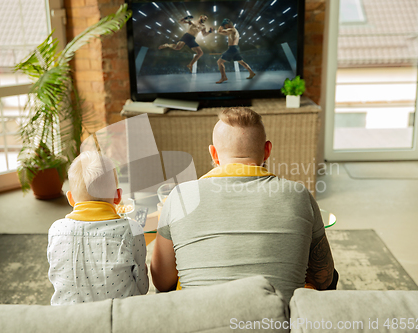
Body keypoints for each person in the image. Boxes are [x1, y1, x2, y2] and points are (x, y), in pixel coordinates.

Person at [151, 107, 336, 300]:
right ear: (267, 150)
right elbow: (325, 279)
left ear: (213, 153)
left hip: (202, 322)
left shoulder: (179, 196)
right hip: (278, 323)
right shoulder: (300, 195)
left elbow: (162, 282)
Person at [47, 151, 148, 305]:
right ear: (118, 196)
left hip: (67, 320)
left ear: (70, 198)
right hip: (118, 319)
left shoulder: (56, 229)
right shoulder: (131, 230)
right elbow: (143, 287)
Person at [215, 18, 255, 84]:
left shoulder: (231, 30)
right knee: (241, 62)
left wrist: (222, 24)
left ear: (228, 25)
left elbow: (219, 31)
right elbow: (222, 33)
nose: (225, 27)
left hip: (232, 48)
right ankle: (251, 72)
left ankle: (223, 77)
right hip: (236, 48)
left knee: (219, 62)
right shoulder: (234, 31)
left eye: (225, 25)